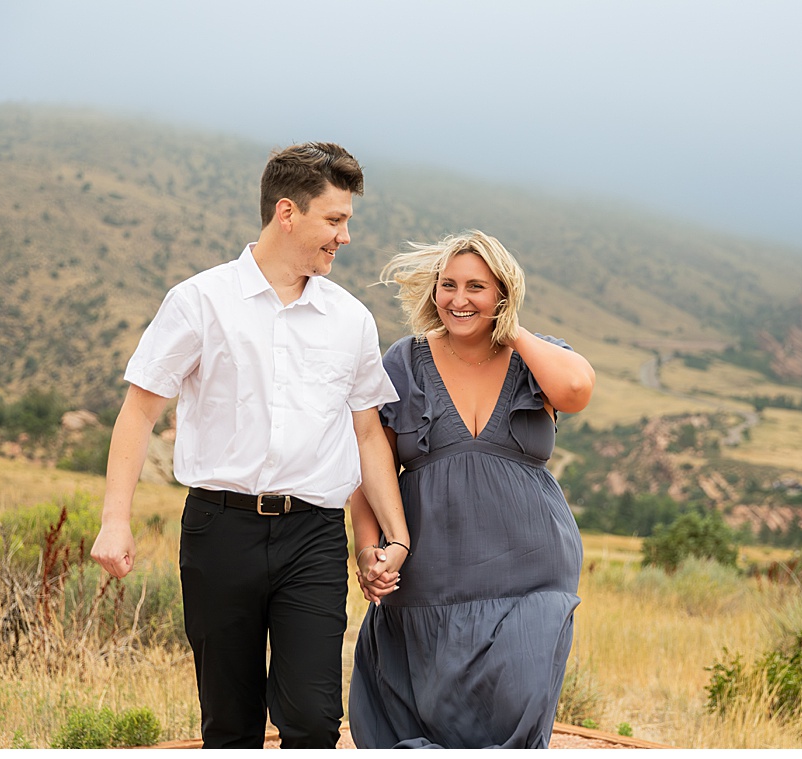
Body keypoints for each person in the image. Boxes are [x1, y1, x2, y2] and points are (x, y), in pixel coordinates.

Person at [90, 143, 410, 749]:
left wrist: (397, 537)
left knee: (314, 719)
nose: (345, 236)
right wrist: (115, 521)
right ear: (287, 213)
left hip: (313, 535)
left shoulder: (351, 319)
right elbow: (138, 413)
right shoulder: (199, 301)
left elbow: (368, 431)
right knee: (229, 725)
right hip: (219, 529)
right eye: (335, 220)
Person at [346, 229, 596, 749]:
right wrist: (369, 549)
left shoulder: (536, 357)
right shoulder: (405, 361)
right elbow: (369, 468)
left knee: (519, 697)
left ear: (503, 292)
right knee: (420, 713)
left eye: (477, 287)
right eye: (449, 285)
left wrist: (513, 332)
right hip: (428, 576)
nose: (459, 300)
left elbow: (576, 391)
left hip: (531, 574)